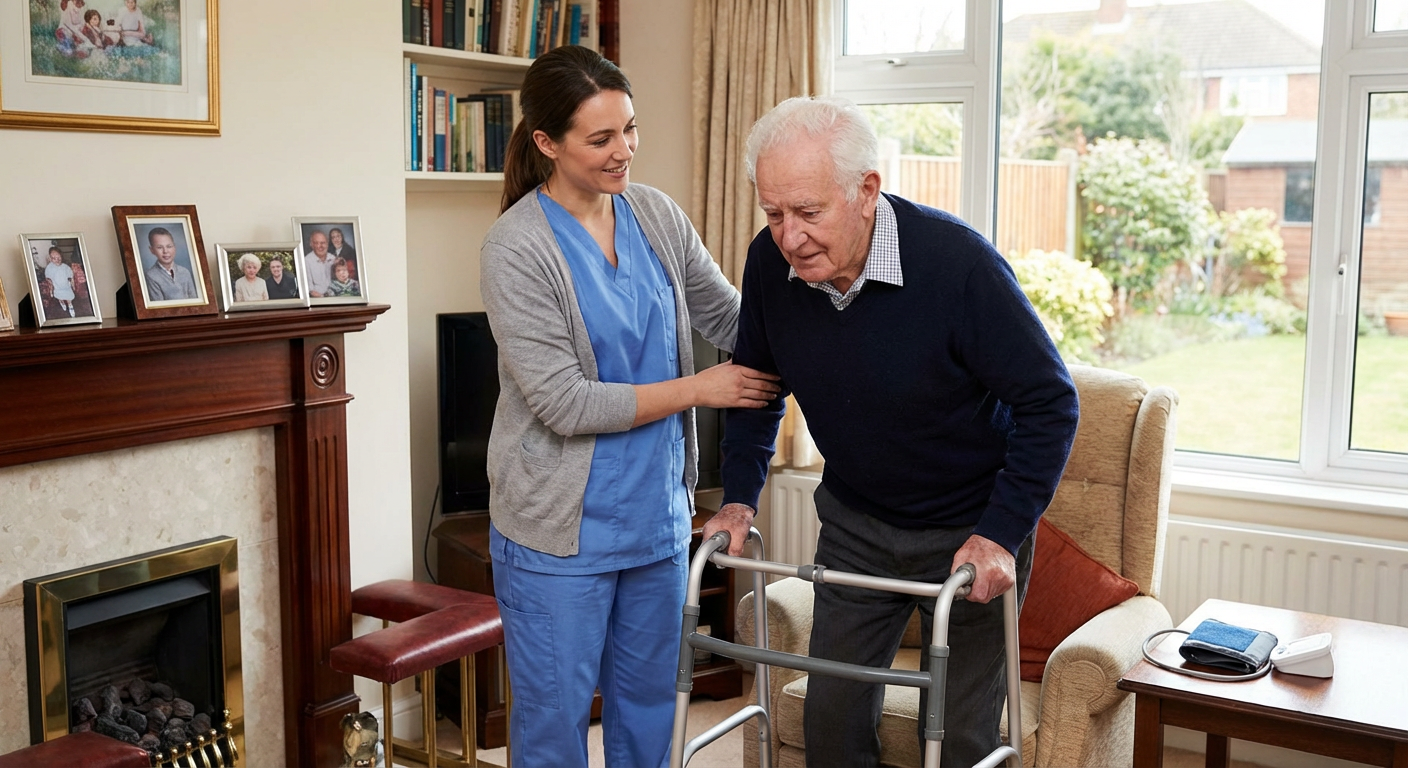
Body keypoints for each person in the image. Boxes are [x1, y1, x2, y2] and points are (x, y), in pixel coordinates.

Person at [703, 96, 1080, 768]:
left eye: (809, 213)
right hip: (859, 523)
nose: (789, 237)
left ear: (866, 190)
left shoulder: (959, 266)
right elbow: (756, 387)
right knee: (833, 724)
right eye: (774, 213)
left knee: (959, 734)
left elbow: (1051, 403)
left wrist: (1000, 533)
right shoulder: (770, 265)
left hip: (970, 530)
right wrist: (738, 497)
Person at [479, 45, 780, 768]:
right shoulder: (516, 247)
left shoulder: (655, 215)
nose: (625, 152)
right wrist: (700, 389)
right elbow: (563, 402)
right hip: (559, 532)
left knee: (649, 712)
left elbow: (735, 321)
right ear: (547, 143)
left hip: (656, 519)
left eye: (631, 129)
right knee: (554, 726)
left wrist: (836, 338)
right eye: (601, 139)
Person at [143, 227, 199, 302]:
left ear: (174, 247)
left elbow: (195, 301)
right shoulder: (151, 276)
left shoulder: (185, 272)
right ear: (152, 250)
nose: (165, 251)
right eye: (160, 247)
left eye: (169, 246)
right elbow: (158, 307)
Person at [43, 247, 76, 317]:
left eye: (58, 257)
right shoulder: (49, 268)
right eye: (54, 258)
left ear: (61, 256)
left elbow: (71, 277)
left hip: (66, 287)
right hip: (57, 287)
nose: (57, 260)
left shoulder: (65, 267)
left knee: (69, 298)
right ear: (51, 258)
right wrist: (51, 289)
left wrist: (73, 285)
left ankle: (70, 306)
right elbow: (48, 279)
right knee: (60, 298)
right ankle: (62, 303)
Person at [304, 231, 335, 298]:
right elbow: (310, 290)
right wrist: (323, 297)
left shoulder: (333, 259)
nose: (319, 246)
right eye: (316, 243)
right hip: (317, 300)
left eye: (322, 243)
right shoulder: (306, 261)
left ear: (327, 244)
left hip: (335, 298)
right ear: (311, 244)